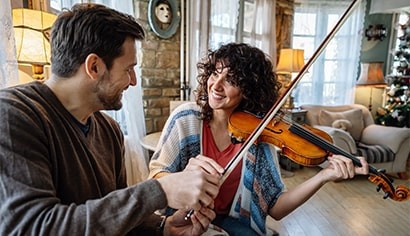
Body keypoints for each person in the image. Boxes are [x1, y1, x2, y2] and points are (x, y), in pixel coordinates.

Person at [0, 4, 221, 235]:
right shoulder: (13, 115)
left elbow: (114, 217)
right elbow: (34, 227)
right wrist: (160, 191)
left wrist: (163, 227)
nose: (133, 81)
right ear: (94, 66)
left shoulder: (109, 129)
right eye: (128, 69)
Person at [148, 42, 369, 235]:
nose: (216, 85)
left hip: (232, 222)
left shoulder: (258, 134)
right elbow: (156, 177)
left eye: (231, 79)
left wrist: (324, 176)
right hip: (183, 219)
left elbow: (276, 207)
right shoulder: (185, 118)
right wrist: (183, 179)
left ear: (248, 90)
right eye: (215, 73)